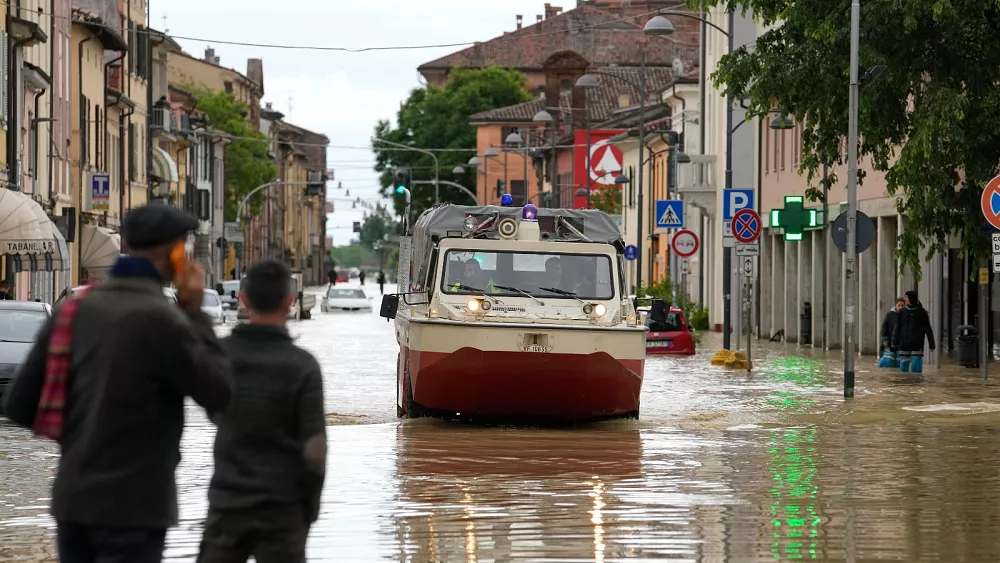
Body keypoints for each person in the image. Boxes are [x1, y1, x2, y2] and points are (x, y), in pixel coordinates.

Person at [1, 203, 233, 563]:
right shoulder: (167, 321)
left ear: (124, 245)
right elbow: (221, 395)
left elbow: (18, 404)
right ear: (175, 253)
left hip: (74, 501)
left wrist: (78, 438)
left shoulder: (73, 310)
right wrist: (195, 314)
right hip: (136, 508)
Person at [198, 259, 326, 563]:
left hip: (228, 502)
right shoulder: (303, 366)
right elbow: (315, 449)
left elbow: (212, 411)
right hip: (284, 507)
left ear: (243, 299)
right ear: (290, 301)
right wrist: (310, 507)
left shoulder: (220, 355)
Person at [892, 290, 935, 374]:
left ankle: (916, 382)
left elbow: (928, 328)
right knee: (903, 372)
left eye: (906, 297)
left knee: (916, 372)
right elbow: (897, 327)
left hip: (917, 343)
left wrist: (931, 344)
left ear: (911, 298)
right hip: (904, 343)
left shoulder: (922, 312)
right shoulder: (902, 311)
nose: (905, 299)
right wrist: (894, 341)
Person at [878, 298, 905, 368]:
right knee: (888, 362)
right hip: (890, 343)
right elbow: (884, 328)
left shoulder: (906, 316)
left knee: (900, 363)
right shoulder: (889, 315)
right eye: (899, 305)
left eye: (902, 306)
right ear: (896, 305)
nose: (900, 307)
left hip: (901, 345)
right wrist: (884, 340)